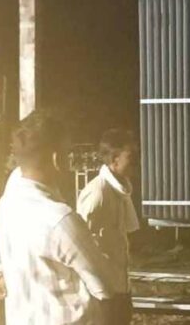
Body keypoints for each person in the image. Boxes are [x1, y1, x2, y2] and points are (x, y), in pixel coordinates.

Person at [0, 109, 122, 325]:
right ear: (56, 158)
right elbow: (105, 287)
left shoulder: (7, 204)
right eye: (67, 152)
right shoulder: (60, 220)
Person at [77, 129, 140, 325]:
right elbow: (79, 243)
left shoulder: (120, 191)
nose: (136, 163)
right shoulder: (98, 192)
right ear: (115, 160)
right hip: (102, 294)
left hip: (121, 289)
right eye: (131, 156)